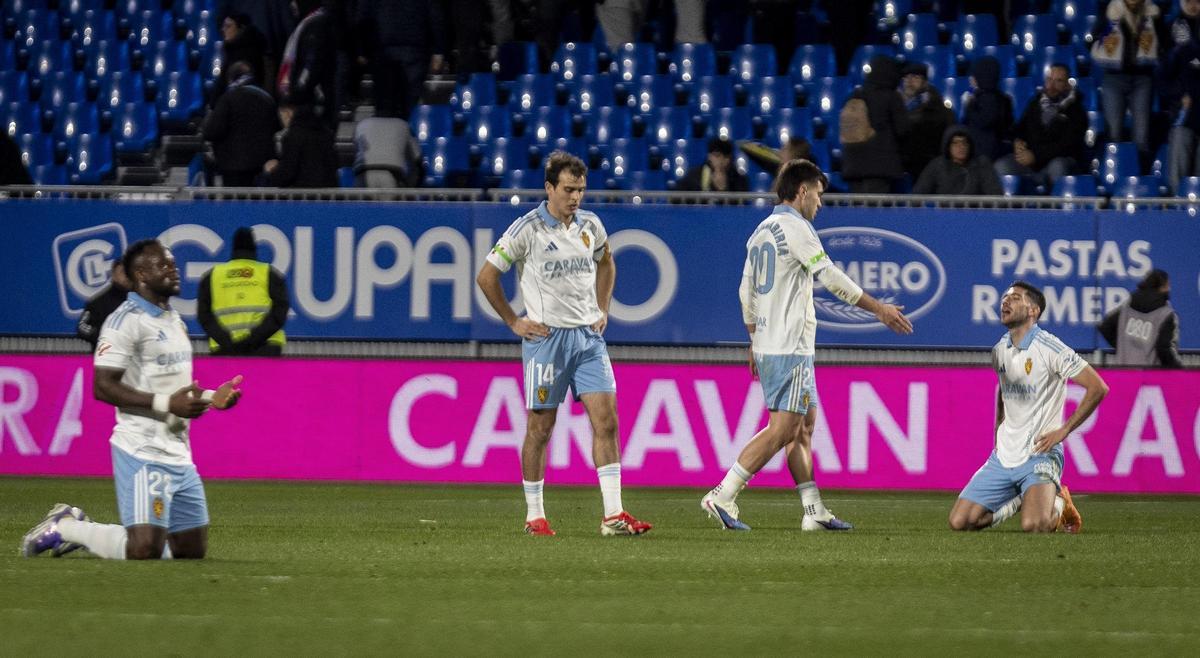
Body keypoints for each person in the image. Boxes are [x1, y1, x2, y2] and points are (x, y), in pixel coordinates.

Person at [700, 159, 914, 532]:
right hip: (789, 345)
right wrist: (878, 308)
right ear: (801, 192)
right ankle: (723, 494)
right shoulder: (796, 228)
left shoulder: (761, 231)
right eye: (817, 194)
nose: (820, 203)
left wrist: (753, 338)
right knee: (783, 428)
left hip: (772, 341)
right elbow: (829, 276)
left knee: (804, 426)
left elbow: (745, 291)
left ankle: (813, 510)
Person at [21, 239, 244, 560]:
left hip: (179, 451)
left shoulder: (173, 320)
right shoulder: (123, 321)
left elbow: (178, 391)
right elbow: (103, 386)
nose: (174, 270)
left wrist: (212, 397)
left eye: (174, 264)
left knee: (190, 550)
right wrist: (167, 405)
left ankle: (77, 527)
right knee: (144, 549)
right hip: (141, 449)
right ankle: (67, 527)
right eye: (163, 265)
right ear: (140, 274)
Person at [475, 151, 652, 537]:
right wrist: (513, 321)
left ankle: (613, 515)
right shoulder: (527, 229)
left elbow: (607, 261)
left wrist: (602, 307)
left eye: (581, 190)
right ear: (549, 188)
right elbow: (487, 275)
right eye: (569, 189)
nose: (576, 197)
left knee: (607, 421)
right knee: (541, 427)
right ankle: (534, 515)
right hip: (546, 339)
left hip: (588, 339)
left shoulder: (591, 224)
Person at [949, 281, 1108, 534]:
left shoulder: (1049, 347)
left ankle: (1058, 503)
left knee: (1035, 526)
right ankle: (1020, 501)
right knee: (960, 522)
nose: (1005, 302)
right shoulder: (999, 350)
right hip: (1003, 456)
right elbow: (1003, 390)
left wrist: (1064, 431)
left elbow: (1098, 387)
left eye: (1015, 298)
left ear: (1033, 310)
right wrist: (998, 430)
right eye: (1005, 297)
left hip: (1040, 454)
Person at [1091, 0, 1166, 165]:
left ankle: (1140, 177)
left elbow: (1163, 42)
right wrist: (1109, 28)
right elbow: (1093, 40)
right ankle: (1115, 175)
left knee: (1142, 135)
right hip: (1114, 78)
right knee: (1114, 133)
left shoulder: (1153, 13)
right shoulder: (1110, 11)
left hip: (1143, 78)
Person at [197, 227, 290, 356]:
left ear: (233, 248)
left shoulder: (212, 276)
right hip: (265, 348)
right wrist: (251, 341)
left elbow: (204, 316)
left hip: (225, 349)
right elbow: (279, 313)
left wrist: (228, 342)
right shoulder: (270, 274)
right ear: (254, 248)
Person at [993, 64, 1087, 189]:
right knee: (1002, 165)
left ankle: (1059, 206)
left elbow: (1067, 146)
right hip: (1031, 165)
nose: (1051, 85)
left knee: (1058, 166)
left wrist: (1035, 155)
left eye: (1058, 81)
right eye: (1049, 79)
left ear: (1067, 85)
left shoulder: (1076, 110)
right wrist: (1017, 142)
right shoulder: (1035, 103)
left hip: (1058, 162)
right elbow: (1019, 129)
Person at [202, 60, 281, 187]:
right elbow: (277, 128)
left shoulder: (227, 99)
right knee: (257, 206)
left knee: (235, 205)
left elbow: (211, 131)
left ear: (231, 79)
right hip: (261, 168)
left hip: (232, 168)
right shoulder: (267, 99)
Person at [840, 55, 911, 193]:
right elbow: (903, 129)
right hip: (880, 168)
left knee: (858, 211)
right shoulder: (892, 97)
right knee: (875, 212)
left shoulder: (854, 95)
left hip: (853, 166)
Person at [1097, 269, 1184, 368]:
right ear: (1162, 287)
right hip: (1149, 376)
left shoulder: (1127, 307)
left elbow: (1105, 327)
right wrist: (1179, 370)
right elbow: (1164, 348)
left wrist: (1122, 348)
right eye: (1167, 285)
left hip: (1122, 371)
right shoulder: (1166, 314)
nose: (1169, 288)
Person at [278, 0, 337, 129]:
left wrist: (295, 94)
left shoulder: (315, 26)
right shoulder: (312, 23)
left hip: (313, 103)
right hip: (311, 100)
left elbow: (311, 65)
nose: (292, 5)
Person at [1164, 0, 1200, 193]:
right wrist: (1179, 96)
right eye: (1189, 0)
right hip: (1183, 114)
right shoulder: (1171, 29)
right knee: (1178, 173)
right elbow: (1163, 76)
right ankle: (1176, 210)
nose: (1194, 5)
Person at [898, 61, 955, 180]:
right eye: (906, 77)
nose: (909, 81)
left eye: (915, 77)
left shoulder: (937, 108)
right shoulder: (896, 107)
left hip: (928, 167)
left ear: (925, 83)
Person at [264, 101, 339, 188]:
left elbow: (288, 171)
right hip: (329, 195)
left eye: (281, 116)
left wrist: (273, 171)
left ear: (287, 113)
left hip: (303, 196)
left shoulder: (293, 136)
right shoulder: (326, 133)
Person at [913, 126, 1003, 195]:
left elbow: (995, 197)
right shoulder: (937, 165)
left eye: (964, 142)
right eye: (955, 143)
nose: (961, 147)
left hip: (974, 217)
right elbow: (918, 194)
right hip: (944, 217)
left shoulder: (981, 164)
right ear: (948, 147)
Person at [961, 55, 1012, 162]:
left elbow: (984, 121)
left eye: (974, 75)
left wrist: (968, 105)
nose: (971, 78)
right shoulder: (996, 97)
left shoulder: (989, 98)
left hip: (985, 154)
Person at [76, 259, 130, 349]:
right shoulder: (97, 303)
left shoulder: (142, 301)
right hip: (107, 357)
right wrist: (103, 336)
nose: (127, 276)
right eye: (122, 272)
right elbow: (81, 327)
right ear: (113, 275)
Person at [677, 136, 749, 192]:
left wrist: (723, 189)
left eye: (726, 157)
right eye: (715, 155)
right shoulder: (695, 175)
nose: (722, 160)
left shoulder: (739, 179)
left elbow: (740, 205)